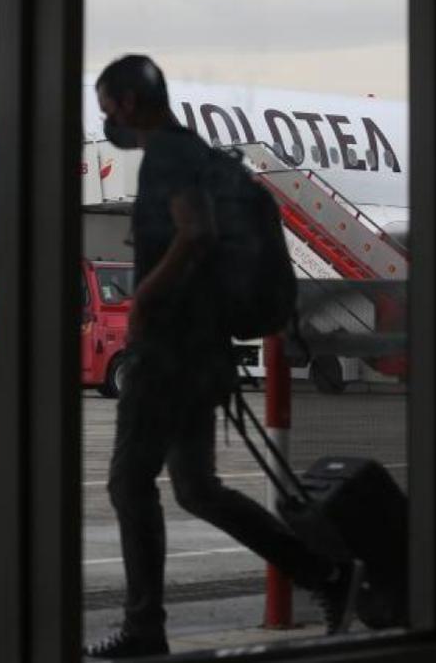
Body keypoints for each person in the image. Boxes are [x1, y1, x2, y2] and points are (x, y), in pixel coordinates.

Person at [84, 55, 362, 659]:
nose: (107, 121)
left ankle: (144, 629)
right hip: (201, 354)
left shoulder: (169, 157)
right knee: (196, 489)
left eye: (108, 108)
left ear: (130, 103)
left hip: (169, 354)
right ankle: (327, 575)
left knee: (130, 483)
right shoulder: (197, 154)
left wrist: (144, 299)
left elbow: (196, 232)